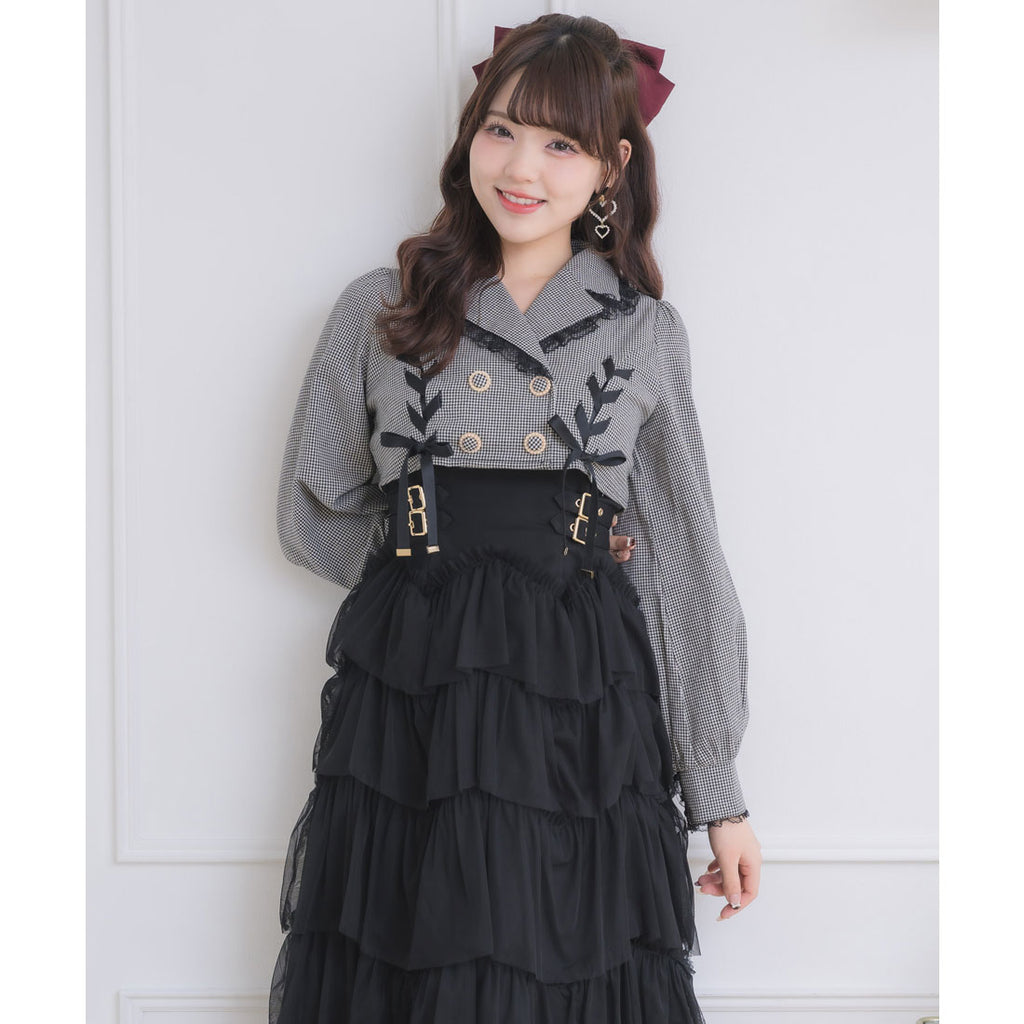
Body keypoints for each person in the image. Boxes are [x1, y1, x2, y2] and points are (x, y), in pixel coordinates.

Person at [267, 13, 761, 1024]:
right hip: (414, 715)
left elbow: (680, 565)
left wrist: (717, 792)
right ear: (469, 138)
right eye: (500, 130)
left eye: (560, 143)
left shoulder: (642, 333)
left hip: (580, 719)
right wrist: (428, 575)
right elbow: (313, 505)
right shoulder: (382, 308)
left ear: (611, 166)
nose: (521, 167)